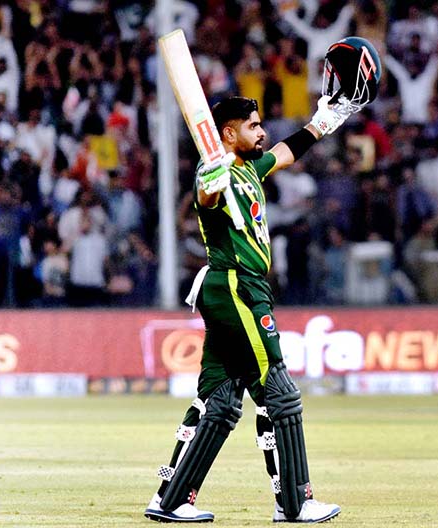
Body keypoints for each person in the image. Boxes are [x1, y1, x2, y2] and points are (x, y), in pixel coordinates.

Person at [145, 36, 380, 525]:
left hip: (234, 289)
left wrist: (323, 122)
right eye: (252, 126)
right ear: (226, 134)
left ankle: (169, 498)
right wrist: (208, 184)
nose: (262, 130)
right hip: (236, 287)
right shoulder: (218, 174)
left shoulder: (251, 167)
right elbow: (207, 201)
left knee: (220, 397)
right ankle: (295, 502)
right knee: (279, 389)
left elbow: (287, 153)